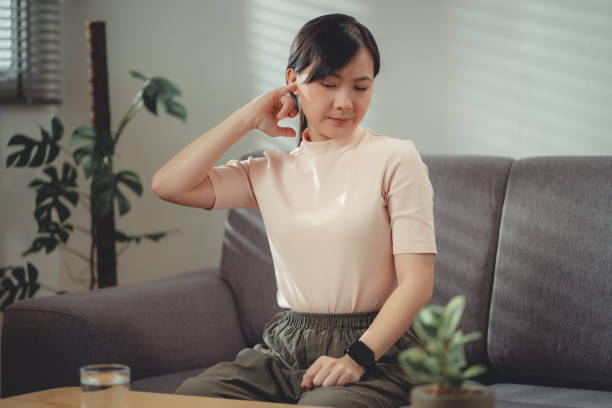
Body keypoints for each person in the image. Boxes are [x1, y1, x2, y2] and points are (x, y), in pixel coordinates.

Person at [152, 13, 437, 408]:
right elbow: (169, 185)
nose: (345, 102)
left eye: (361, 86)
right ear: (294, 83)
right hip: (287, 344)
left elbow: (417, 283)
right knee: (192, 398)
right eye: (328, 83)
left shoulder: (395, 158)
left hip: (377, 349)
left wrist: (357, 358)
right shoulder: (269, 170)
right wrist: (248, 117)